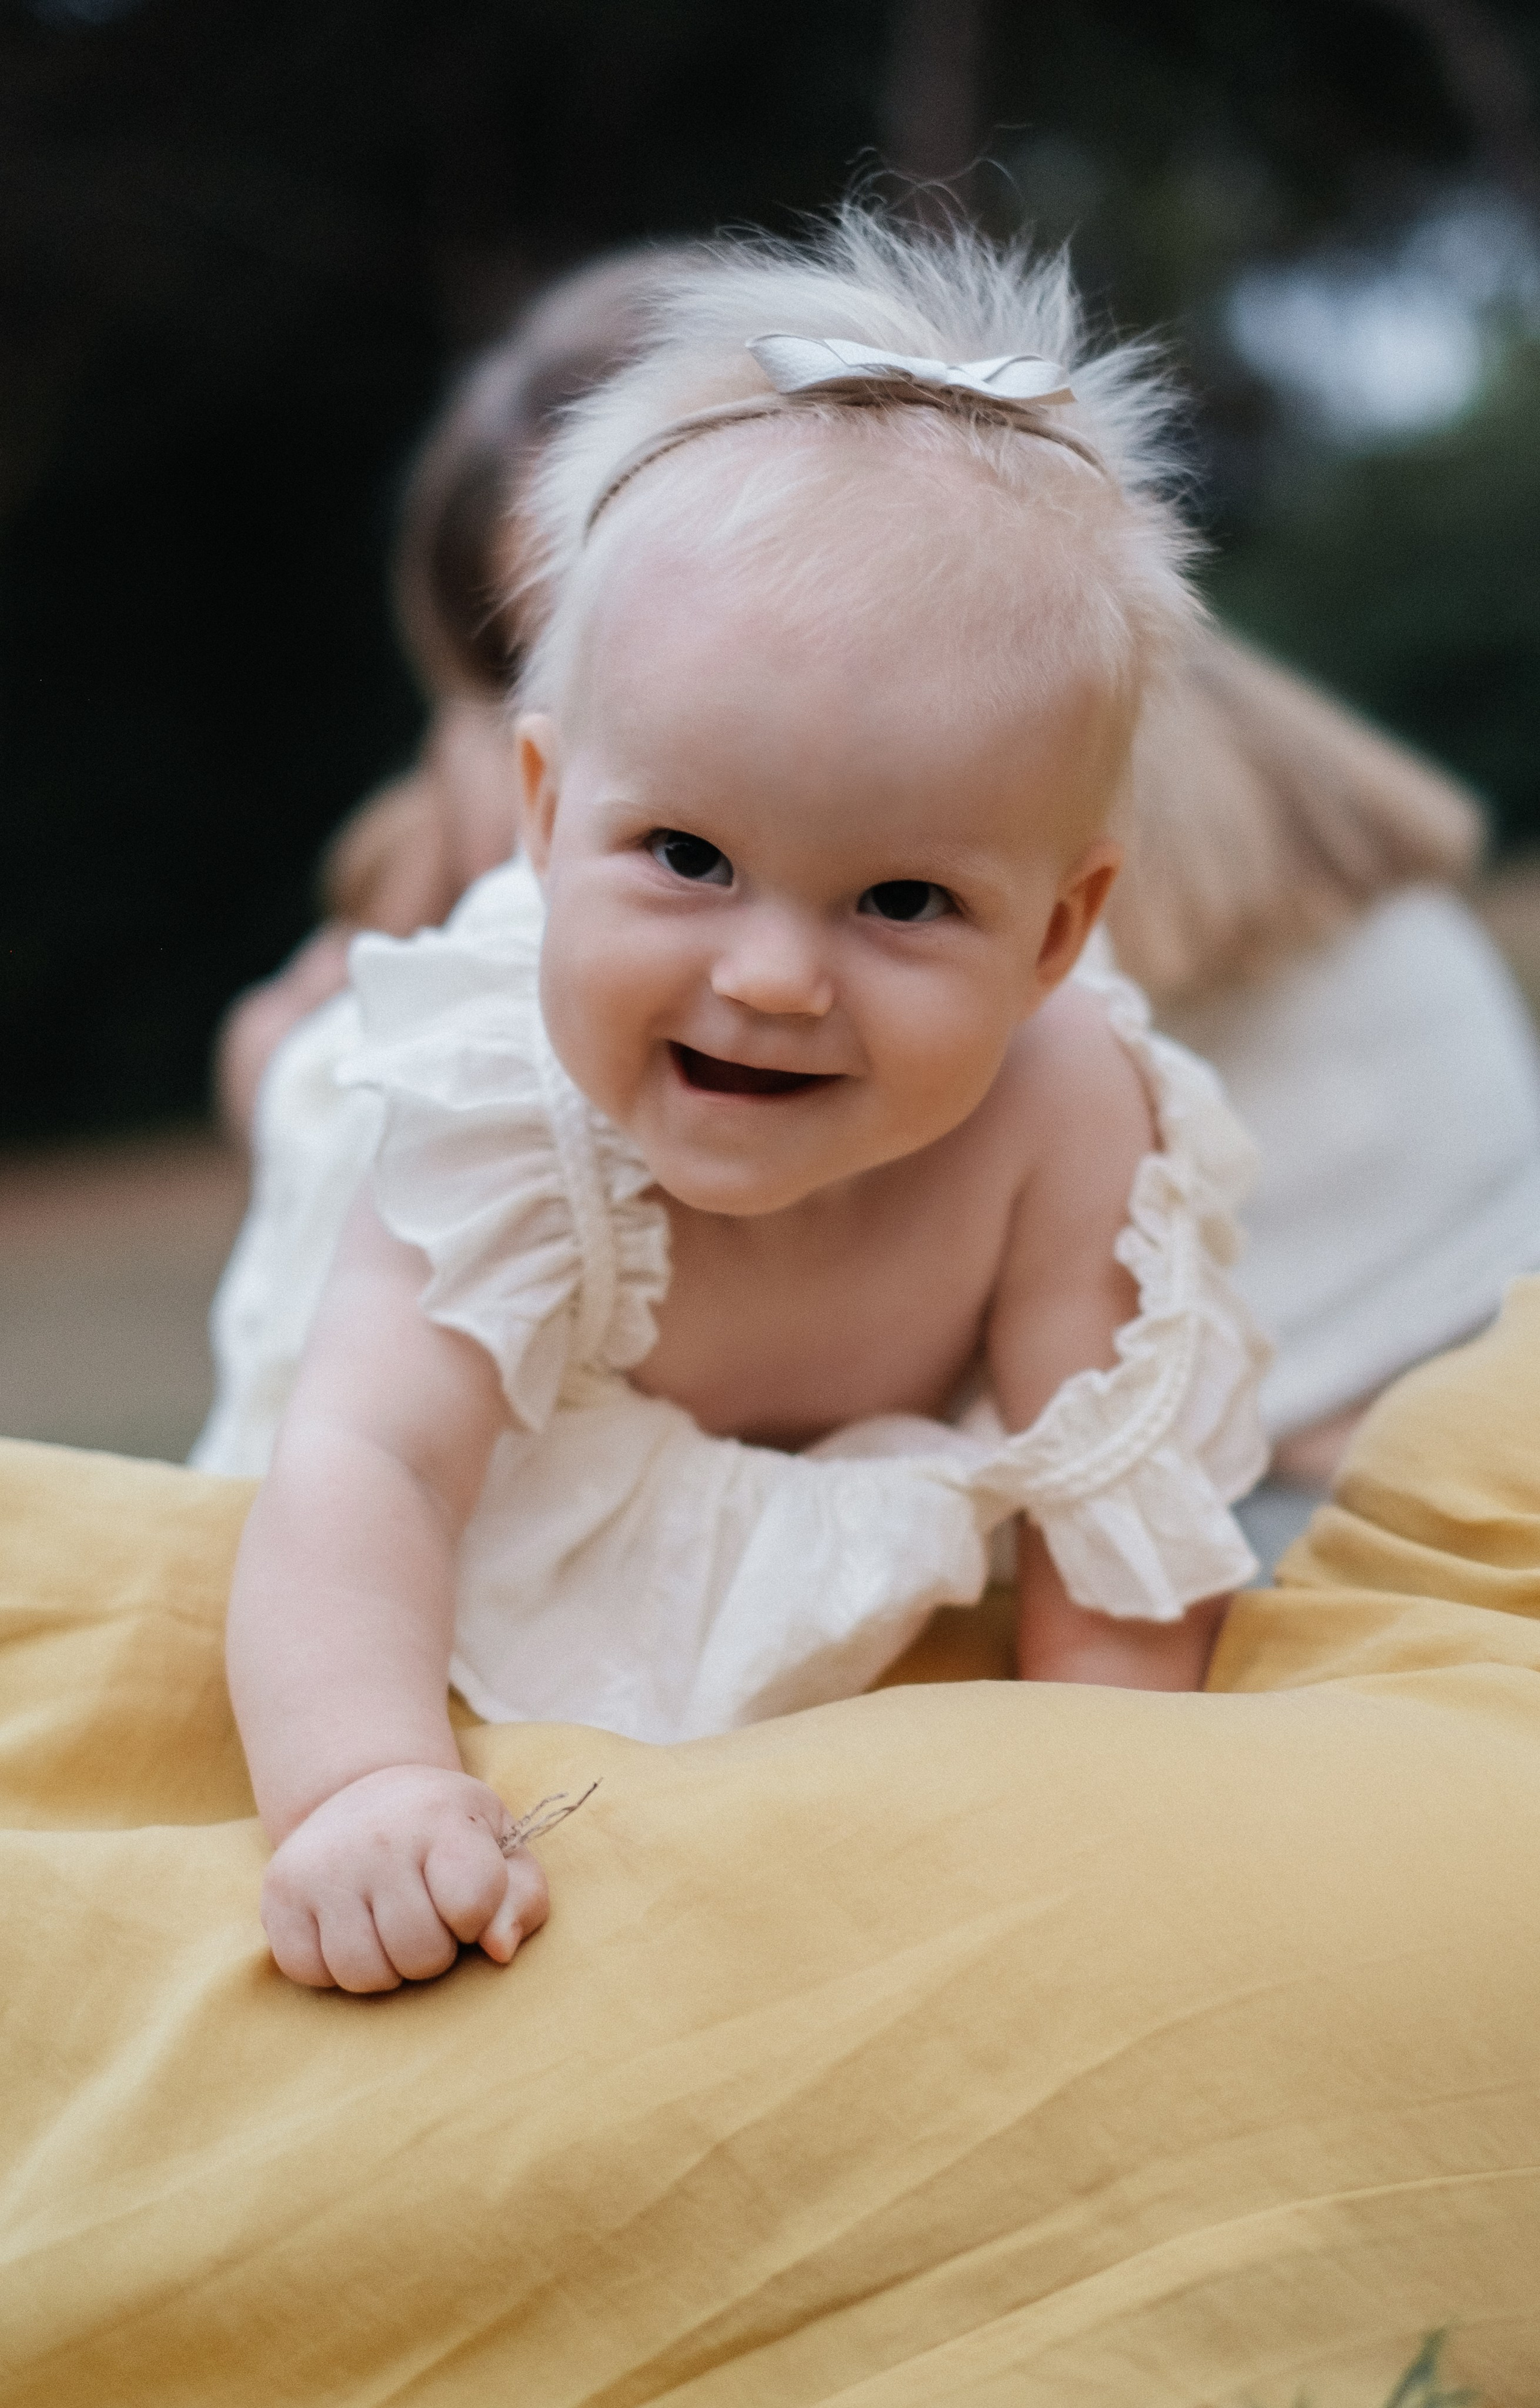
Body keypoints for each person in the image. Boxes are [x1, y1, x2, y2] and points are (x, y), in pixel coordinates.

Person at [221, 206, 1272, 1993]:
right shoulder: (505, 1107)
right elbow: (367, 1467)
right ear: (547, 819)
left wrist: (1101, 1820)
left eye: (904, 900)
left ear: (1056, 931)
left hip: (842, 1633)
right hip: (443, 1597)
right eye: (689, 855)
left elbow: (1118, 1530)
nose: (776, 975)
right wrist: (367, 1783)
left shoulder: (1072, 1107)